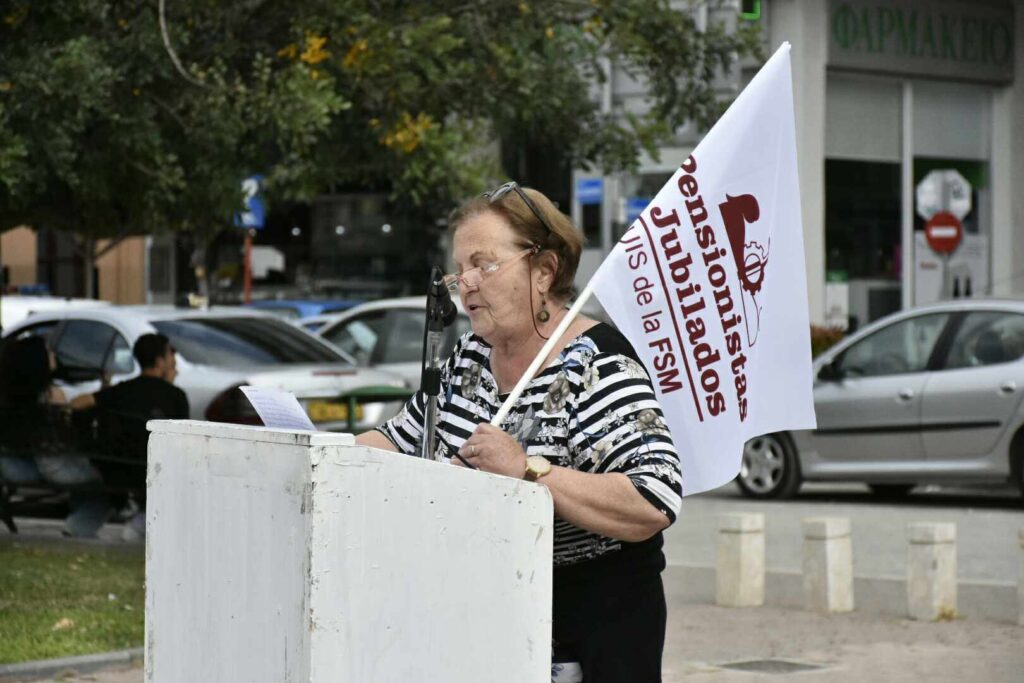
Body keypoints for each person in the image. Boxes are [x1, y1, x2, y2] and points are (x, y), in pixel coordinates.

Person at [356, 181, 683, 682]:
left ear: (544, 270)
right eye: (459, 269)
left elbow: (654, 498)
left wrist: (528, 469)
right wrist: (315, 449)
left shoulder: (595, 364)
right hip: (493, 613)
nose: (466, 283)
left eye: (484, 264)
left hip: (594, 628)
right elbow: (401, 440)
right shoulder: (468, 358)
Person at [71, 333, 188, 540]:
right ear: (160, 362)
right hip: (153, 470)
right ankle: (141, 523)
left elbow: (78, 403)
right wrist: (169, 385)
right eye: (171, 355)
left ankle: (80, 526)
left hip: (116, 467)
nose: (174, 360)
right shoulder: (175, 397)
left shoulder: (123, 391)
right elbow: (181, 440)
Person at [0, 336, 111, 537]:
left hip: (12, 465)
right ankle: (77, 528)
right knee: (107, 486)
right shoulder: (51, 396)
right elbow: (65, 436)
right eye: (48, 351)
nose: (53, 355)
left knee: (85, 485)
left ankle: (79, 522)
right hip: (49, 466)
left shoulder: (10, 396)